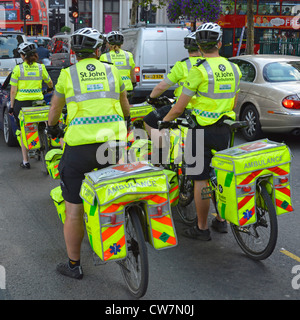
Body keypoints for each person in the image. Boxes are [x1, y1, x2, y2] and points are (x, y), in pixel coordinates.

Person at [48, 27, 130, 280]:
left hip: (79, 148)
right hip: (113, 145)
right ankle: (118, 238)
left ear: (74, 51)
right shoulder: (113, 70)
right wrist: (127, 121)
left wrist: (52, 128)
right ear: (98, 50)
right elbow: (125, 104)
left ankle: (74, 265)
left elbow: (55, 108)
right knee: (114, 194)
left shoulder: (67, 75)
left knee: (74, 209)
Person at [162, 22, 242, 241]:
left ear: (199, 45)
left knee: (201, 179)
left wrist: (165, 121)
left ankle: (202, 228)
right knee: (221, 174)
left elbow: (179, 107)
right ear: (219, 43)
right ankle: (222, 220)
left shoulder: (199, 71)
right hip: (225, 130)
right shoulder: (234, 68)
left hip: (201, 131)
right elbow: (233, 100)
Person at [143, 32, 202, 150]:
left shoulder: (182, 65)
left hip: (183, 109)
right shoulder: (207, 65)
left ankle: (162, 150)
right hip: (203, 110)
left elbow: (161, 87)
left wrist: (151, 98)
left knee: (148, 120)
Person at [9, 42, 53, 169]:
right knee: (42, 122)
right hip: (38, 103)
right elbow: (49, 82)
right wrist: (49, 89)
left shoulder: (18, 69)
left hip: (22, 104)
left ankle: (25, 161)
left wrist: (12, 106)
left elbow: (13, 91)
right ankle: (44, 141)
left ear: (23, 56)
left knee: (23, 131)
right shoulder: (41, 67)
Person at [100, 31, 136, 97]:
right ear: (121, 44)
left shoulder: (104, 57)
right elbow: (132, 74)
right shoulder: (129, 55)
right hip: (127, 88)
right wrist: (133, 84)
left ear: (108, 43)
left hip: (112, 89)